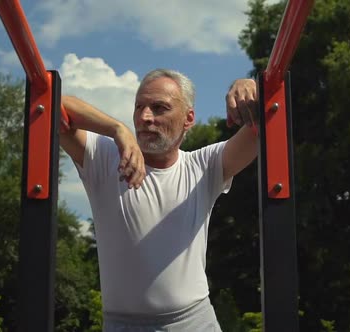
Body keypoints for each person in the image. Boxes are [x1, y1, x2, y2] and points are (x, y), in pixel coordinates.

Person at [59, 69, 258, 331]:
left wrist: (249, 86)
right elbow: (53, 107)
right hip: (123, 324)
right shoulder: (105, 156)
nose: (144, 117)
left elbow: (262, 128)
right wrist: (117, 128)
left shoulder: (202, 166)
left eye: (159, 108)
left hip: (193, 322)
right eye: (139, 106)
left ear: (188, 119)